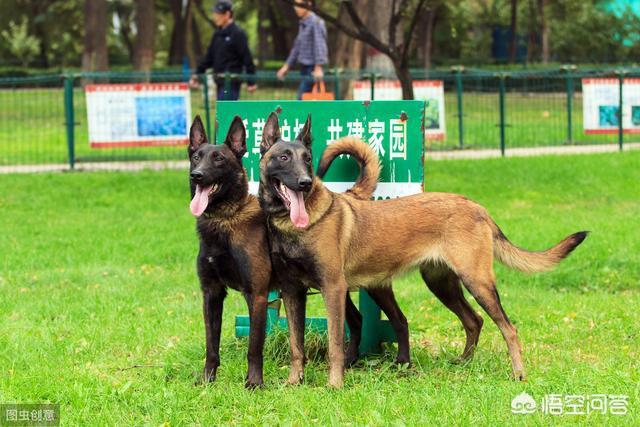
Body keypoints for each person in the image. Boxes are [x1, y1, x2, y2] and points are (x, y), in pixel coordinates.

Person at [189, 0, 257, 100]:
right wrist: (197, 74)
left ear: (227, 14)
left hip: (231, 83)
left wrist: (251, 82)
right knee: (224, 114)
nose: (215, 17)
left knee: (225, 114)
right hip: (219, 82)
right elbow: (208, 58)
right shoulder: (217, 35)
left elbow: (247, 58)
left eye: (218, 14)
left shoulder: (238, 33)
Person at [276, 0, 328, 100]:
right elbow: (297, 47)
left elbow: (320, 45)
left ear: (308, 4)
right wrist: (286, 66)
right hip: (304, 67)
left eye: (299, 5)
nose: (296, 8)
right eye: (295, 5)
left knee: (301, 99)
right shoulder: (303, 23)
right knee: (306, 100)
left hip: (312, 69)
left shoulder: (316, 22)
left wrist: (318, 67)